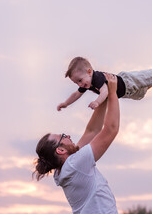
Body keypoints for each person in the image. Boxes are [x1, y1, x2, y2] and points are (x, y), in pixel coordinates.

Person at [34, 72, 120, 214]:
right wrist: (112, 92)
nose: (67, 135)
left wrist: (101, 97)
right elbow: (111, 129)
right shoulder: (75, 164)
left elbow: (92, 131)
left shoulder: (64, 169)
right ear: (60, 150)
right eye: (62, 136)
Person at [57, 56, 152, 111]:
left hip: (127, 81)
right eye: (76, 83)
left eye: (80, 80)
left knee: (146, 77)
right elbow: (76, 94)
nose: (79, 85)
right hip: (126, 92)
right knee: (141, 92)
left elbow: (105, 91)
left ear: (89, 72)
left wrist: (97, 102)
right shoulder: (86, 84)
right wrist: (65, 103)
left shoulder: (97, 78)